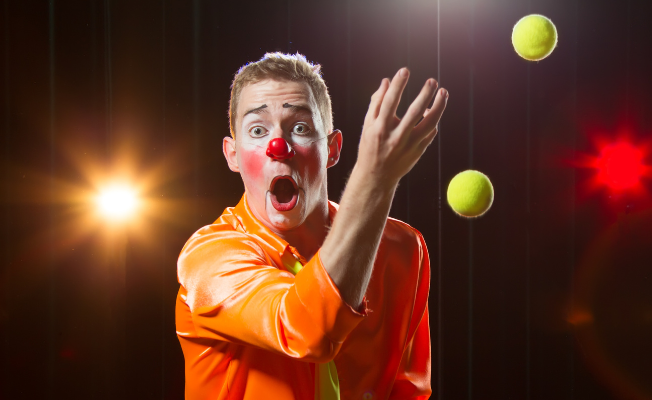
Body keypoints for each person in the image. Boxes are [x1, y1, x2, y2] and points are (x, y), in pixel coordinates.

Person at [175, 52, 448, 400]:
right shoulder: (209, 260)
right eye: (258, 130)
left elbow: (406, 391)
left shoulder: (402, 247)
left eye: (300, 128)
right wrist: (374, 181)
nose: (279, 147)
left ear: (332, 149)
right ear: (233, 155)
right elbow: (309, 331)